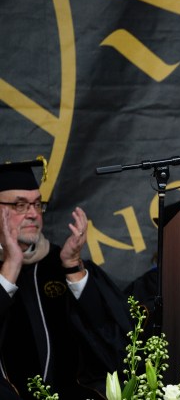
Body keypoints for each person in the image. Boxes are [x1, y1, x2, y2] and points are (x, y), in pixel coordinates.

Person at [0, 159, 132, 400]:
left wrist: (73, 268)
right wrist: (11, 267)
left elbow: (110, 337)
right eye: (20, 205)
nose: (32, 214)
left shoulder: (58, 261)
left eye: (37, 204)